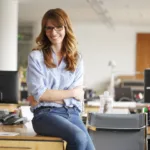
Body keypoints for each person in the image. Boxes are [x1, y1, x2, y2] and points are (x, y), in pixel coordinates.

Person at [26, 8, 95, 150]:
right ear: (44, 30)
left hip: (73, 114)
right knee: (79, 137)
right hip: (45, 115)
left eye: (58, 27)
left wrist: (47, 96)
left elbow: (43, 96)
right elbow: (41, 94)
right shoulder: (36, 57)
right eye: (49, 28)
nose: (53, 32)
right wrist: (72, 93)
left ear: (66, 28)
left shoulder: (77, 58)